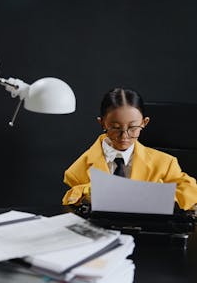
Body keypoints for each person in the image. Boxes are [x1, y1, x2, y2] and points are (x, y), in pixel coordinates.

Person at [62, 87, 197, 210]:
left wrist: (157, 197)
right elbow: (71, 199)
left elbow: (191, 191)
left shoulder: (165, 163)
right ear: (102, 123)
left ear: (144, 123)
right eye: (115, 127)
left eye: (133, 128)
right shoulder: (78, 169)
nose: (124, 136)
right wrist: (89, 190)